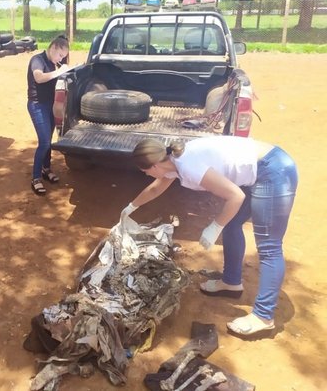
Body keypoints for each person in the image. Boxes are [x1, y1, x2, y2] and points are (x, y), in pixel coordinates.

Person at [121, 136, 297, 337]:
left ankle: (263, 316)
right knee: (232, 222)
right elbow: (156, 188)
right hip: (258, 170)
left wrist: (215, 227)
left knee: (269, 246)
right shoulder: (171, 162)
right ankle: (231, 282)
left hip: (274, 169)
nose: (146, 175)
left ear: (153, 166)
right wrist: (130, 208)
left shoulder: (188, 166)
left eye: (145, 172)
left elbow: (236, 196)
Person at [27, 35, 70, 195]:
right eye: (60, 55)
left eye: (63, 57)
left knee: (48, 139)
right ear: (53, 48)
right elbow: (38, 78)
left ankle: (46, 169)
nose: (61, 59)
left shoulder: (55, 63)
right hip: (37, 105)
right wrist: (58, 71)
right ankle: (36, 178)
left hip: (50, 105)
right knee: (44, 142)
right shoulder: (37, 60)